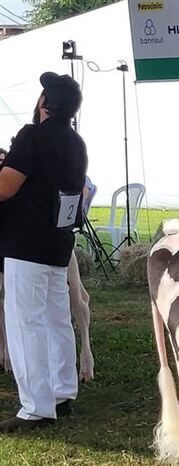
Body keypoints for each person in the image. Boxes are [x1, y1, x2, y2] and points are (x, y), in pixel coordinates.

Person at [0, 72, 87, 431]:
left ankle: (36, 407)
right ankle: (62, 391)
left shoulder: (31, 136)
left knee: (25, 323)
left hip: (26, 243)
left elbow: (6, 188)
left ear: (43, 104)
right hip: (57, 242)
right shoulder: (77, 142)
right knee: (56, 318)